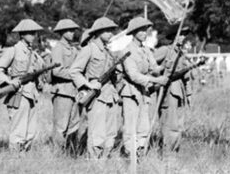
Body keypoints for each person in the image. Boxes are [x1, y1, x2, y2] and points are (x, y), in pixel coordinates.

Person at [70, 17, 121, 159]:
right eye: (108, 30)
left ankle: (104, 160)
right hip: (96, 96)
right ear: (99, 32)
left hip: (110, 94)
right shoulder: (89, 49)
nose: (111, 33)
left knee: (111, 133)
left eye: (112, 30)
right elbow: (74, 71)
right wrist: (88, 84)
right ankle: (94, 163)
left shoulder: (108, 52)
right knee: (97, 133)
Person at [0, 19, 45, 152]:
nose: (34, 35)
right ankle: (15, 159)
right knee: (19, 130)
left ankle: (24, 157)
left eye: (35, 33)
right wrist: (9, 81)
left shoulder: (33, 54)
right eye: (31, 33)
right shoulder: (13, 50)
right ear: (22, 34)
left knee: (30, 131)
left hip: (32, 94)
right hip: (19, 93)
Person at [118, 17, 166, 158]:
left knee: (144, 125)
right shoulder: (127, 51)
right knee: (131, 126)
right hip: (131, 92)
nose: (145, 33)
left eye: (146, 30)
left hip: (144, 93)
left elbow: (154, 68)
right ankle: (129, 155)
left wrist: (165, 66)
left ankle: (140, 152)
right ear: (133, 32)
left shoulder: (146, 50)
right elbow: (133, 75)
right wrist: (156, 80)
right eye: (141, 30)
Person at [154, 35, 194, 153]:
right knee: (169, 124)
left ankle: (174, 150)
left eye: (184, 35)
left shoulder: (181, 53)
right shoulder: (165, 50)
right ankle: (167, 152)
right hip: (168, 92)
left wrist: (189, 94)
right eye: (180, 34)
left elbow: (186, 76)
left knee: (178, 125)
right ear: (174, 36)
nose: (182, 37)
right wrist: (160, 76)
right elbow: (149, 66)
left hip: (180, 92)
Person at [49, 18, 81, 151]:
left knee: (74, 124)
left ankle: (70, 152)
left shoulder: (73, 49)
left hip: (73, 91)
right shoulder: (58, 49)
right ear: (62, 32)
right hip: (62, 91)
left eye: (73, 30)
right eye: (69, 30)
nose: (72, 32)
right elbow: (56, 71)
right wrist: (75, 75)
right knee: (61, 126)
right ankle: (57, 154)